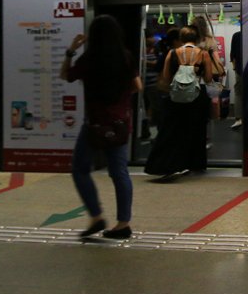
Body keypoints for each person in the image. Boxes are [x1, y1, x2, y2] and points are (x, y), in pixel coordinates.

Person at [61, 14, 141, 240]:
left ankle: (96, 217)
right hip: (120, 124)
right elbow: (138, 86)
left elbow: (65, 75)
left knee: (80, 168)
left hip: (95, 124)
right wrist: (121, 99)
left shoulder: (89, 58)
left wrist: (71, 51)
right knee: (119, 173)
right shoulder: (125, 57)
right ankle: (123, 223)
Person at [149, 26, 214, 181]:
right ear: (196, 38)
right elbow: (209, 78)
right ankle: (195, 164)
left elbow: (165, 77)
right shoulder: (203, 54)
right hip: (197, 95)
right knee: (196, 130)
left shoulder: (172, 53)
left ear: (181, 39)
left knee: (173, 130)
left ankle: (170, 164)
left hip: (176, 97)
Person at [229, 29, 243, 129]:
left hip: (240, 69)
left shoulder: (237, 35)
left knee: (238, 93)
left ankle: (239, 119)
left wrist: (235, 67)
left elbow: (233, 54)